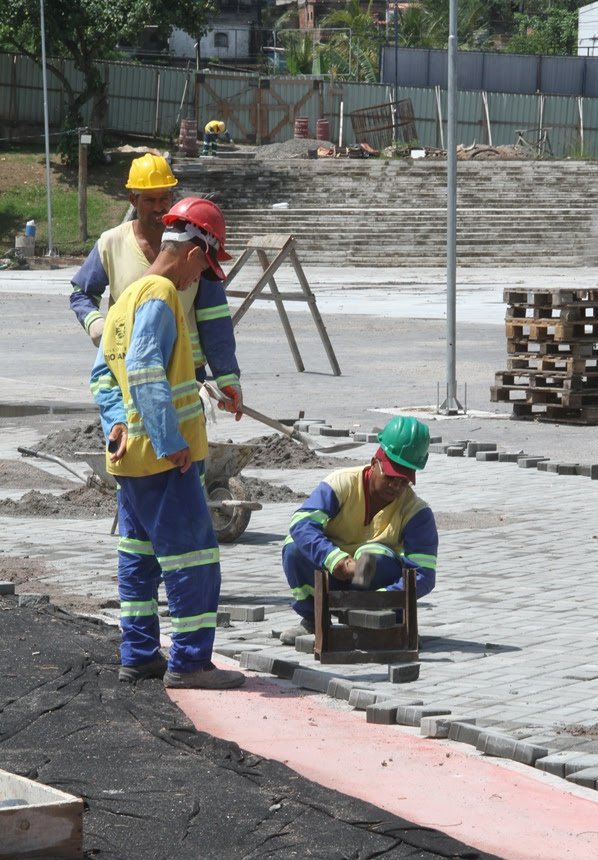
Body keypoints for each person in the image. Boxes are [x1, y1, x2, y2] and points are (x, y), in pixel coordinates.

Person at [90, 196, 245, 690]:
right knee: (193, 557)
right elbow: (144, 370)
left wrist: (115, 424)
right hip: (164, 459)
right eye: (204, 269)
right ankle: (190, 662)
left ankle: (138, 654)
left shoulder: (124, 301)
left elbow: (101, 377)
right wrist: (170, 440)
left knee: (138, 556)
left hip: (128, 459)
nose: (197, 283)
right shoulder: (160, 295)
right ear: (196, 255)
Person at [70, 152, 242, 418]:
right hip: (131, 369)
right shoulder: (110, 243)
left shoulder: (193, 246)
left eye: (165, 198)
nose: (160, 207)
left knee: (181, 445)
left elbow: (214, 317)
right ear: (133, 200)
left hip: (185, 372)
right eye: (150, 200)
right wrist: (95, 322)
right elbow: (82, 292)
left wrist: (227, 376)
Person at [280, 415, 438, 645]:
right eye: (391, 477)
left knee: (371, 558)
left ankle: (383, 620)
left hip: (374, 583)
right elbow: (301, 523)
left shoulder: (417, 512)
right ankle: (314, 619)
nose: (396, 487)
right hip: (333, 575)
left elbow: (424, 574)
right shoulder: (341, 484)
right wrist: (336, 559)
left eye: (404, 481)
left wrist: (379, 602)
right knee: (294, 548)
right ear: (375, 463)